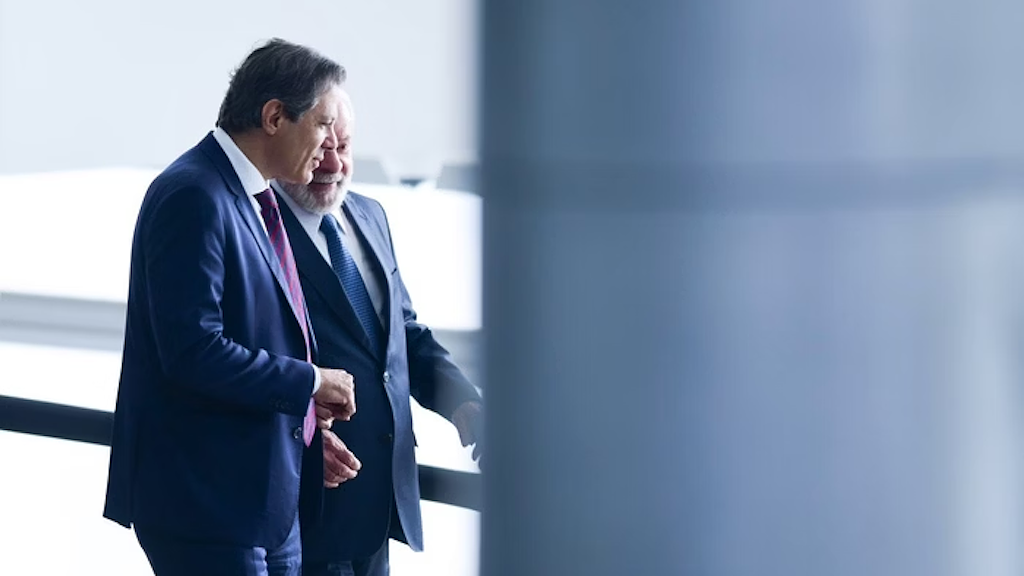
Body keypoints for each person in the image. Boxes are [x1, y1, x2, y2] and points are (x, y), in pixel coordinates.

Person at [103, 38, 359, 576]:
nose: (328, 145)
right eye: (322, 125)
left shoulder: (252, 197)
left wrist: (306, 423)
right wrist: (310, 381)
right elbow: (193, 352)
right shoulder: (193, 194)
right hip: (209, 509)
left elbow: (255, 333)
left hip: (265, 507)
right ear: (274, 117)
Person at [274, 88, 484, 576]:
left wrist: (462, 402)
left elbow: (400, 335)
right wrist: (302, 441)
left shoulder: (370, 214)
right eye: (321, 149)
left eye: (344, 147)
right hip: (311, 499)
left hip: (382, 499)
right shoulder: (260, 227)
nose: (334, 165)